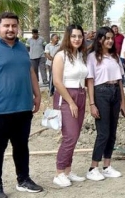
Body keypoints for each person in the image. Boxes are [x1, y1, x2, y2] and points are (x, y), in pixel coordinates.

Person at [0, 13, 44, 196]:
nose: (10, 29)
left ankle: (24, 179)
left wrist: (37, 95)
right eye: (6, 25)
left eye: (14, 25)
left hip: (22, 108)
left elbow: (30, 71)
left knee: (21, 146)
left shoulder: (22, 47)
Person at [86, 27, 125, 181]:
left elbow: (120, 80)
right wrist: (92, 103)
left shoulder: (115, 56)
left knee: (112, 131)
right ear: (100, 39)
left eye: (111, 38)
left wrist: (123, 101)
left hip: (115, 92)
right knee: (103, 132)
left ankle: (107, 165)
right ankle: (93, 167)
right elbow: (90, 81)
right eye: (106, 38)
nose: (110, 41)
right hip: (100, 92)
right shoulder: (93, 57)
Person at [51, 25, 89, 187]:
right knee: (70, 136)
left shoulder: (80, 55)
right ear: (68, 37)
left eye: (80, 36)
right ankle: (59, 172)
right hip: (67, 97)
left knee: (75, 136)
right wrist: (71, 102)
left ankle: (67, 170)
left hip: (80, 94)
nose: (77, 39)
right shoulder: (61, 56)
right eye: (74, 36)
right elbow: (57, 82)